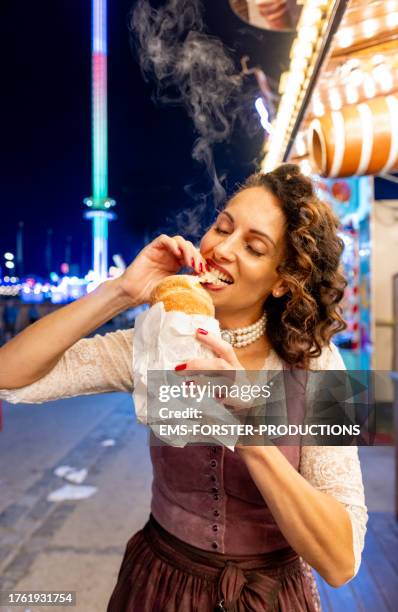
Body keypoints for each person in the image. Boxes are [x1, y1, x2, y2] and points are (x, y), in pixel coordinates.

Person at [0, 164, 367, 611]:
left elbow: (341, 560)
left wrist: (248, 432)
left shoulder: (320, 363)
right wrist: (121, 292)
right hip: (160, 585)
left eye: (252, 247)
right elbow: (10, 375)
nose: (221, 249)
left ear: (283, 281)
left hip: (270, 598)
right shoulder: (157, 338)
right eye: (222, 228)